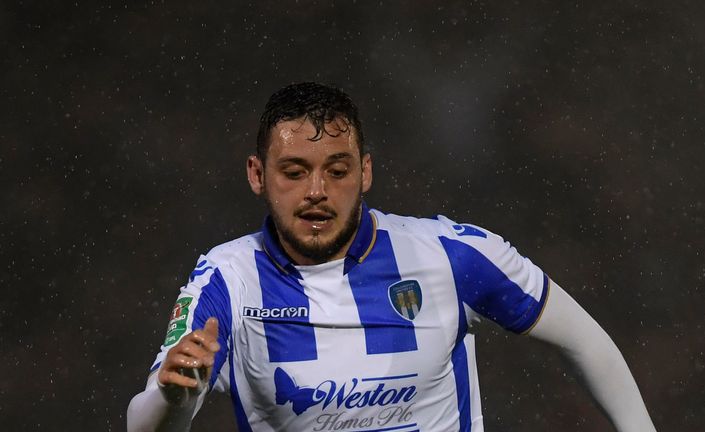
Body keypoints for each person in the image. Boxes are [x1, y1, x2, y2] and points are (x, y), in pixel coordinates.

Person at [127, 82, 656, 432]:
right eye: (293, 171)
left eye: (337, 170)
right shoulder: (227, 279)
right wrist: (176, 399)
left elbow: (586, 341)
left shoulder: (452, 255)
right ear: (257, 174)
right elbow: (144, 422)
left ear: (366, 172)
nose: (316, 190)